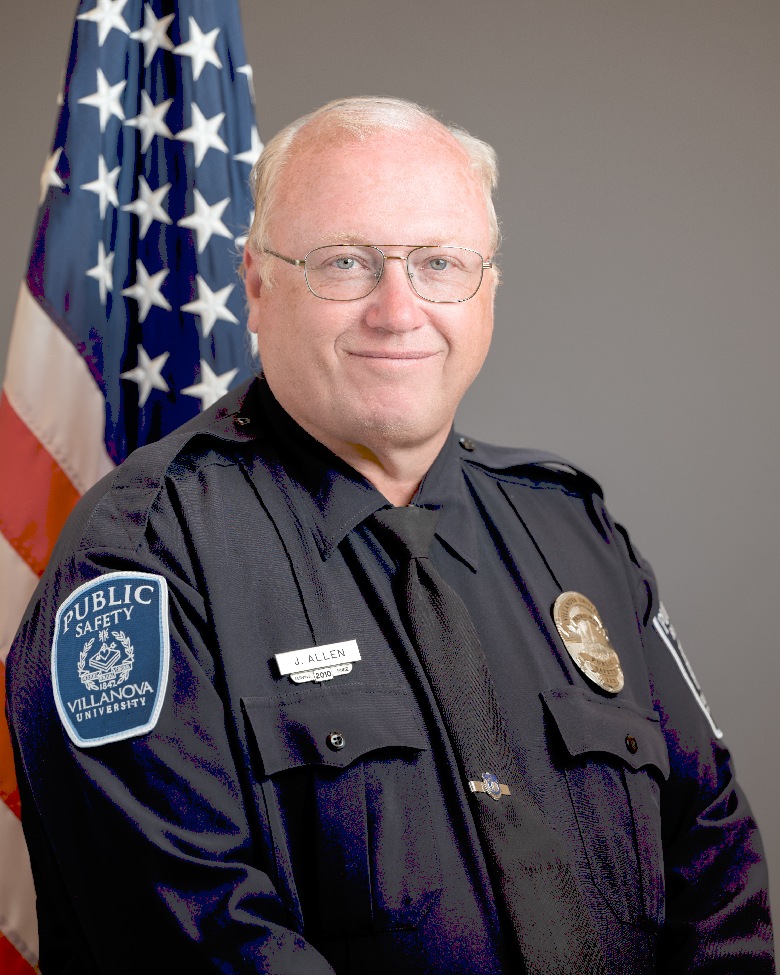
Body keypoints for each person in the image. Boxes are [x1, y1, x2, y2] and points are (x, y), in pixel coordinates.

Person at [5, 96, 775, 974]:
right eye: (346, 263)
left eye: (440, 263)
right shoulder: (143, 553)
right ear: (255, 283)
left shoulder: (574, 530)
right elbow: (197, 934)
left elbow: (716, 860)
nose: (398, 310)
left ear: (488, 289)